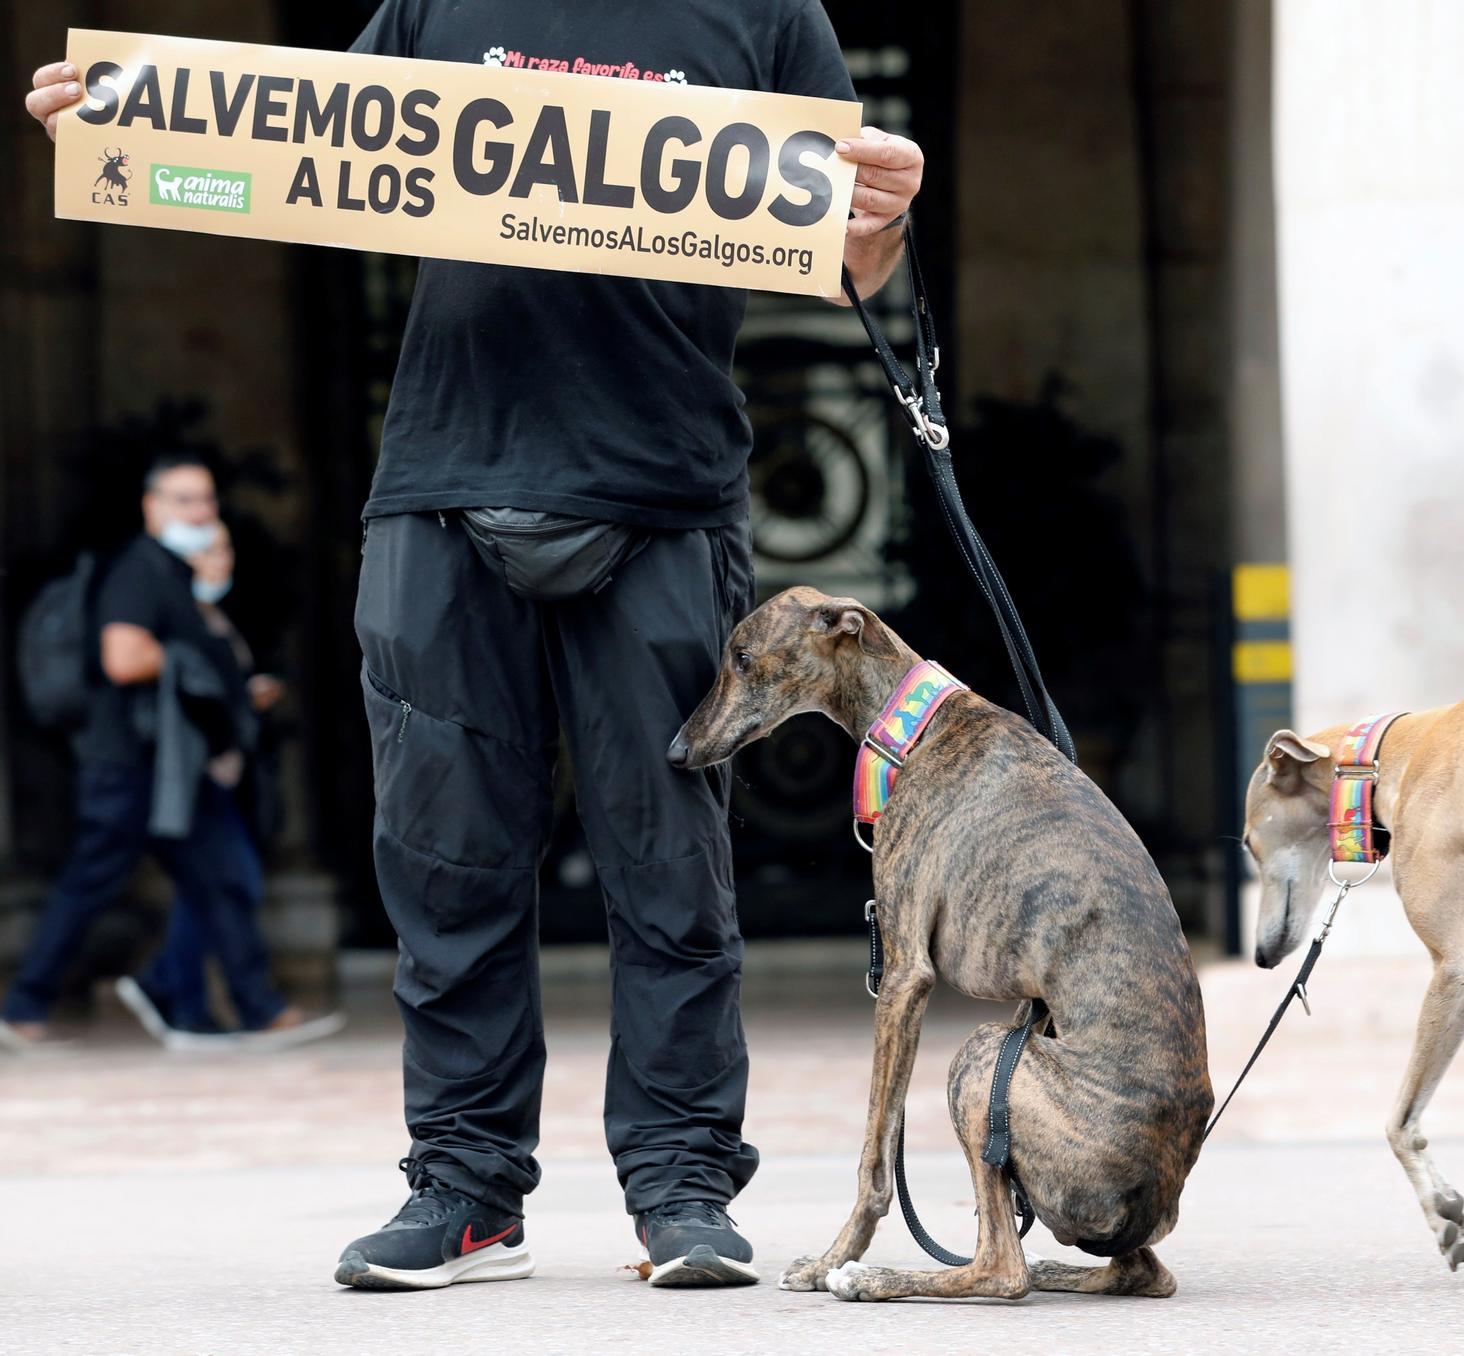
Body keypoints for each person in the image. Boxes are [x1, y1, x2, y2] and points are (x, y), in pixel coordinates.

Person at [23, 1, 923, 1290]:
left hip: (660, 495)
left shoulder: (771, 11)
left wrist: (881, 214)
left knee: (669, 866)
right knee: (443, 863)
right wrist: (126, 115)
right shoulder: (435, 1)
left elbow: (843, 259)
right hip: (445, 485)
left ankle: (680, 1186)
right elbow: (299, 155)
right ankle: (462, 1189)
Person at [0, 459, 341, 1052]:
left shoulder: (173, 575)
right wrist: (204, 669)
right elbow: (123, 658)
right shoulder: (139, 570)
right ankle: (28, 1004)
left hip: (173, 766)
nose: (201, 514)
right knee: (94, 879)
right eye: (186, 501)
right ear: (152, 506)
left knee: (224, 873)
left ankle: (234, 1007)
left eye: (207, 501)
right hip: (131, 762)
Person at [114, 523, 346, 1050]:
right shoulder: (176, 618)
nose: (220, 561)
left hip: (218, 774)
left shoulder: (213, 618)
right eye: (208, 551)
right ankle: (244, 1005)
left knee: (210, 888)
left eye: (225, 548)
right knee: (231, 880)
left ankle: (182, 1003)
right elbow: (189, 695)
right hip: (188, 775)